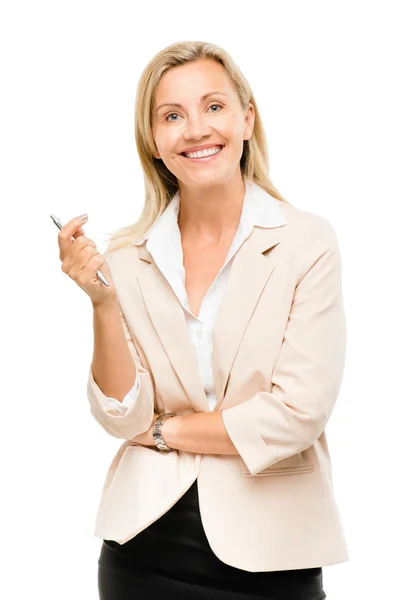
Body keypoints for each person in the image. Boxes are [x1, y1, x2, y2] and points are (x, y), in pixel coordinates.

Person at [57, 41, 348, 599]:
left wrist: (165, 430)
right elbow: (123, 417)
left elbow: (296, 414)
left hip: (273, 551)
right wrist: (103, 301)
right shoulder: (128, 259)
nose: (195, 129)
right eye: (172, 116)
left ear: (247, 118)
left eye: (213, 106)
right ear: (154, 141)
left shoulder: (307, 243)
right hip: (141, 547)